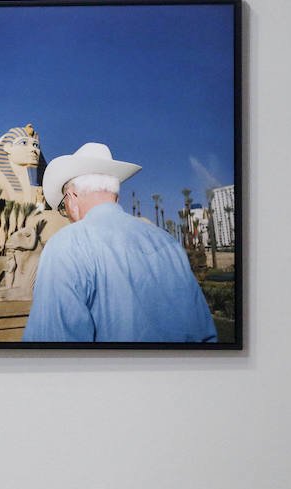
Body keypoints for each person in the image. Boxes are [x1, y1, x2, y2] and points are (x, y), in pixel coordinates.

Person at [23, 142, 218, 343]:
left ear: (71, 198)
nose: (66, 215)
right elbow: (204, 338)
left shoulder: (66, 246)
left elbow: (51, 351)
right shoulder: (169, 245)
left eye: (63, 207)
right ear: (115, 194)